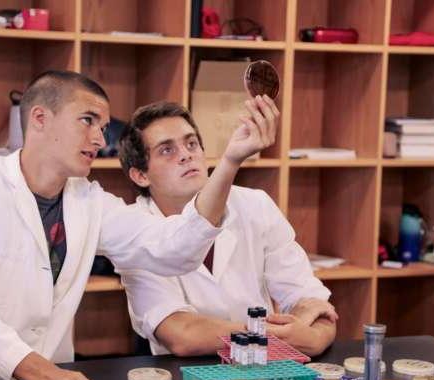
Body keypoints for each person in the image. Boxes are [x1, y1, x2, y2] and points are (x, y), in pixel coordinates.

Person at [0, 71, 278, 380]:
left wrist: (230, 162)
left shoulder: (89, 201)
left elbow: (174, 250)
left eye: (103, 126)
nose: (100, 137)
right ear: (39, 118)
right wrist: (40, 370)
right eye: (88, 120)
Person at [118, 101, 337, 358]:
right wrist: (282, 333)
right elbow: (183, 335)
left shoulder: (255, 204)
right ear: (140, 175)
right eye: (167, 150)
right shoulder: (132, 230)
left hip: (263, 369)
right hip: (185, 376)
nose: (186, 155)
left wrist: (315, 337)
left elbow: (317, 306)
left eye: (191, 144)